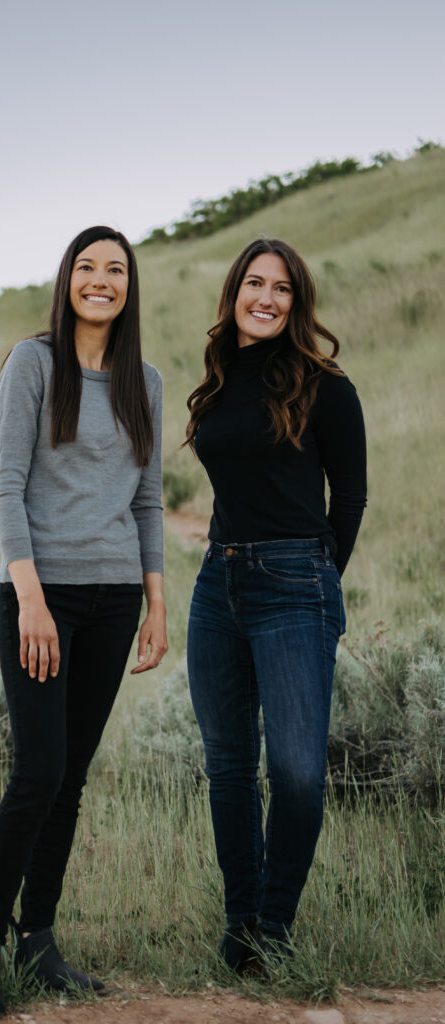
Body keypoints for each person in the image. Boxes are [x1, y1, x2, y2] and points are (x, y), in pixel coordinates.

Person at [0, 226, 167, 1018]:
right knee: (37, 772)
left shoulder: (141, 380)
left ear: (128, 287)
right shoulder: (33, 363)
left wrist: (155, 600)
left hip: (114, 600)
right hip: (40, 598)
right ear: (67, 279)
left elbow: (146, 501)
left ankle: (38, 941)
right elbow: (3, 486)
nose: (101, 281)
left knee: (71, 778)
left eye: (115, 270)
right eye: (87, 267)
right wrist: (31, 597)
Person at [184, 238, 367, 972]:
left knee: (294, 771)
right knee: (228, 766)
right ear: (233, 293)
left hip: (296, 582)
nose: (265, 297)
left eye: (282, 288)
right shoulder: (219, 380)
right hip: (216, 584)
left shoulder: (326, 386)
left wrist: (318, 579)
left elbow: (348, 498)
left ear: (298, 302)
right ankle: (241, 930)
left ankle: (275, 923)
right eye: (253, 283)